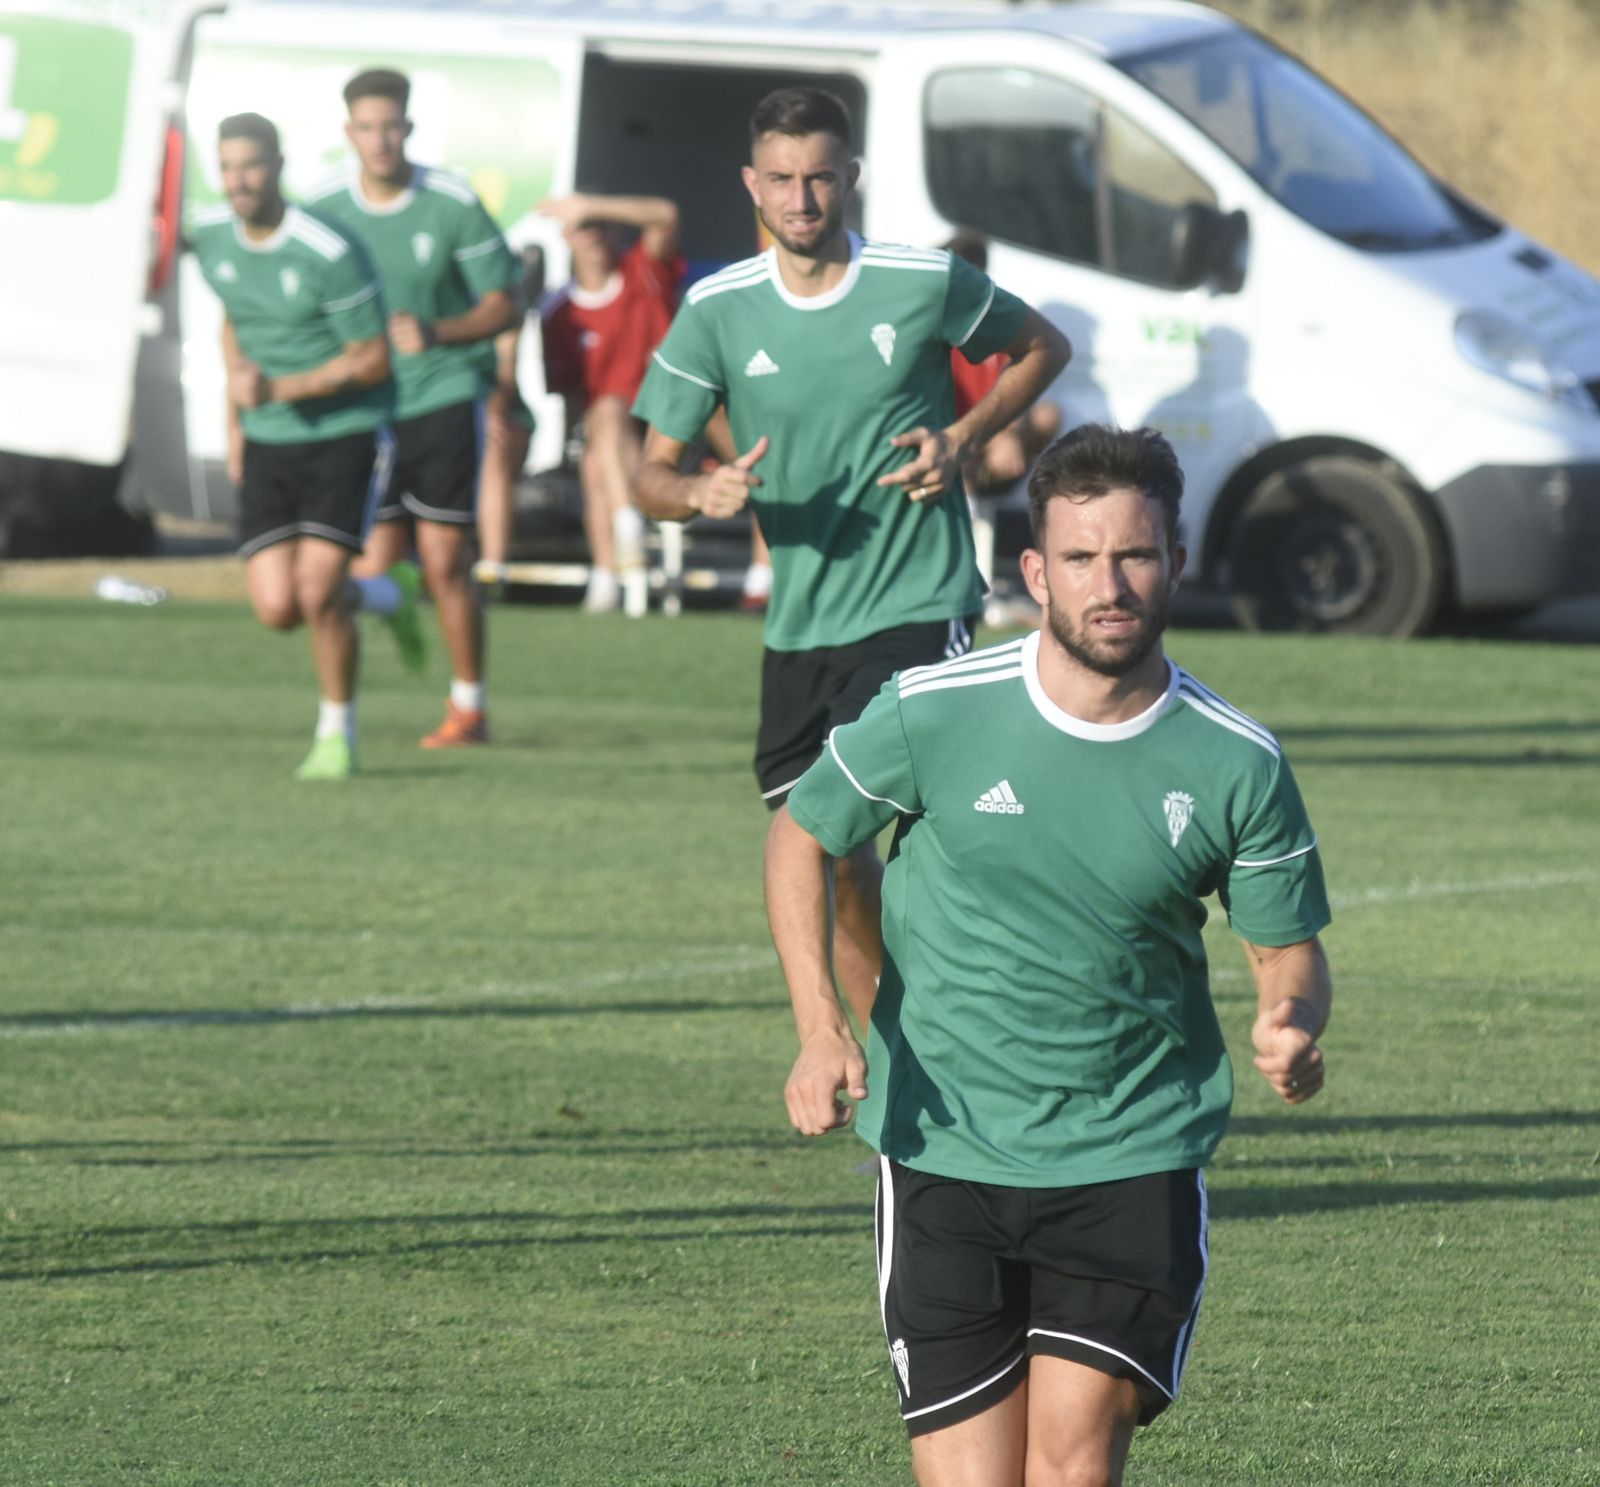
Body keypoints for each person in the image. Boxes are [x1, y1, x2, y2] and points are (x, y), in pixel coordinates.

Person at [766, 423, 1333, 1487]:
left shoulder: (1235, 761)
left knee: (1071, 1468)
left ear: (1175, 558)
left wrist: (1290, 1023)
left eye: (1133, 554)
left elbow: (1287, 956)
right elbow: (805, 832)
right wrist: (821, 1024)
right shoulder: (937, 711)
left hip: (1128, 1151)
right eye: (1080, 558)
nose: (1108, 583)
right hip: (942, 1148)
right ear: (1033, 571)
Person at [631, 86, 1070, 1030]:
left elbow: (1041, 347)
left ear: (851, 179)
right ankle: (886, 1065)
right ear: (752, 183)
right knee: (826, 855)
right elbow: (647, 474)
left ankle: (1007, 1011)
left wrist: (961, 436)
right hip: (800, 624)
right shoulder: (715, 310)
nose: (802, 199)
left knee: (936, 834)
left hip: (917, 601)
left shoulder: (920, 279)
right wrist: (696, 493)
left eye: (820, 177)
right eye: (782, 180)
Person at [189, 112, 424, 782]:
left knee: (319, 592)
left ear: (278, 165)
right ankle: (387, 592)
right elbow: (234, 316)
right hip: (268, 441)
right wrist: (237, 419)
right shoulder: (211, 236)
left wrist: (281, 386)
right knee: (276, 608)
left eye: (252, 165)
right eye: (228, 166)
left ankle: (336, 735)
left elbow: (374, 359)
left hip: (342, 435)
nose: (239, 179)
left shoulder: (326, 249)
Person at [309, 68, 521, 748]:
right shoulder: (323, 212)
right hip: (364, 408)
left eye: (391, 126)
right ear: (349, 133)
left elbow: (505, 302)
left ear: (408, 128)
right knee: (366, 567)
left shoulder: (451, 202)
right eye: (367, 127)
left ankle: (470, 708)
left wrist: (439, 332)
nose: (380, 140)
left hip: (441, 392)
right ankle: (387, 604)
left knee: (447, 558)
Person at [538, 191, 684, 617]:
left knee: (606, 422)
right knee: (597, 442)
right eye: (585, 226)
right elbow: (569, 396)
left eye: (602, 224)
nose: (595, 236)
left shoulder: (642, 274)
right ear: (567, 237)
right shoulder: (557, 312)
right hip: (611, 433)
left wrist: (591, 204)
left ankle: (615, 555)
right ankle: (620, 563)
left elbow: (665, 213)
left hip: (670, 420)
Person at [944, 231, 1062, 494]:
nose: (972, 287)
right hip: (947, 432)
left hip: (983, 430)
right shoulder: (934, 325)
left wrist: (1006, 433)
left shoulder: (991, 322)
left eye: (978, 275)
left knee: (1047, 415)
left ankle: (991, 487)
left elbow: (1016, 381)